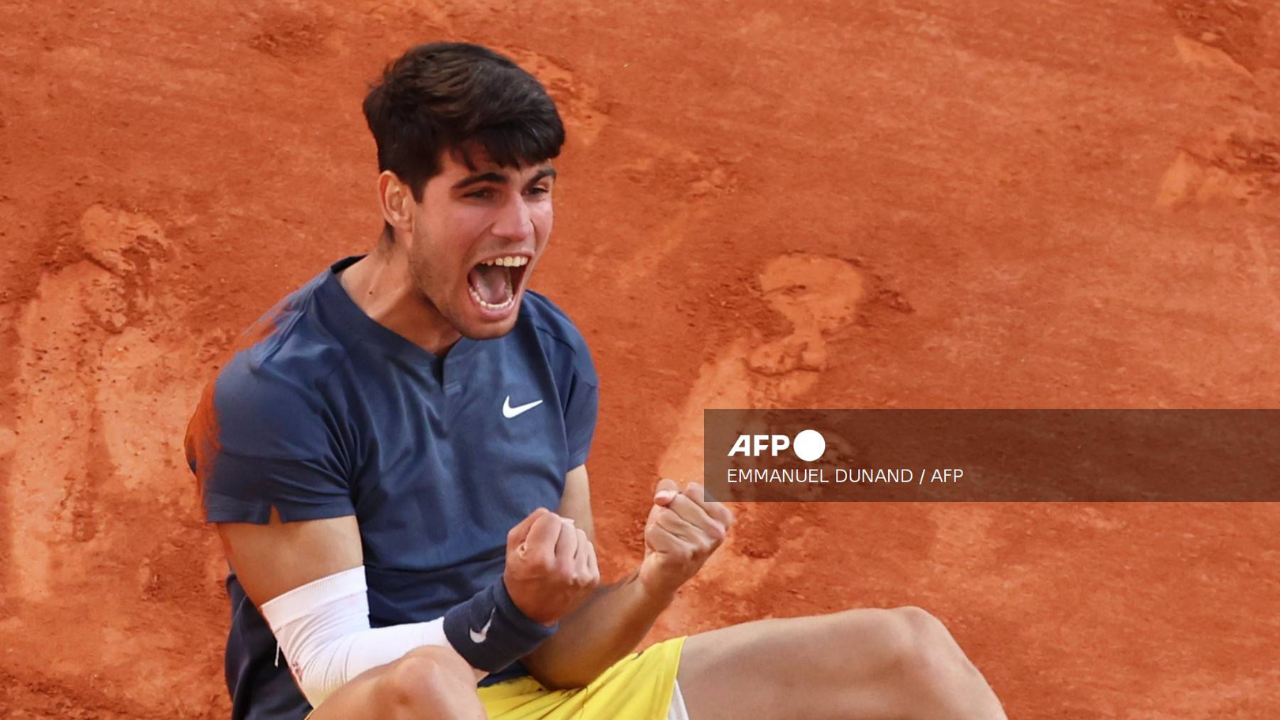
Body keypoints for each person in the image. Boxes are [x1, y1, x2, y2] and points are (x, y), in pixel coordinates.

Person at [184, 41, 1008, 720]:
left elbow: (563, 656)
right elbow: (329, 672)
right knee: (430, 691)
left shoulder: (547, 349)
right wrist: (508, 608)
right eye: (480, 194)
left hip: (524, 703)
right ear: (398, 201)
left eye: (537, 190)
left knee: (908, 652)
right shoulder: (280, 390)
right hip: (384, 711)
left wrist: (656, 579)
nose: (519, 227)